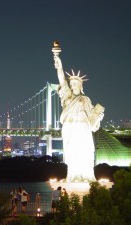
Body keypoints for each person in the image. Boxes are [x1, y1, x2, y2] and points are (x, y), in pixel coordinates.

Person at [53, 42, 104, 182]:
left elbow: (92, 120)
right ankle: (73, 175)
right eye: (72, 83)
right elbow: (62, 79)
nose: (73, 84)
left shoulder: (85, 99)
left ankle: (86, 176)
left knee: (85, 151)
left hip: (83, 128)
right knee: (72, 153)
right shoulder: (67, 96)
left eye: (76, 83)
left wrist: (98, 116)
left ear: (80, 86)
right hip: (70, 128)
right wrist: (59, 62)